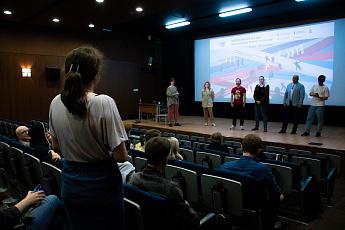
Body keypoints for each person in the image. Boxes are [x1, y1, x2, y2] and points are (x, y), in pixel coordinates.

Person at [49, 46, 128, 230]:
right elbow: (121, 157)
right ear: (96, 74)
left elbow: (56, 146)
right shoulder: (103, 102)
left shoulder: (55, 102)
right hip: (101, 185)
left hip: (70, 183)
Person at [130, 137, 199, 230]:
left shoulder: (135, 178)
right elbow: (193, 221)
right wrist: (186, 205)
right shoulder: (170, 188)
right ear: (166, 160)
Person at [221, 134, 284, 230]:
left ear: (241, 147)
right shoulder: (262, 169)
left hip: (232, 207)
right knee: (280, 197)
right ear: (258, 151)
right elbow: (276, 192)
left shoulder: (225, 167)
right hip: (256, 208)